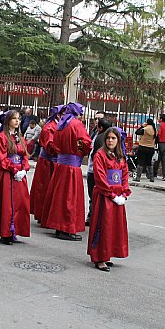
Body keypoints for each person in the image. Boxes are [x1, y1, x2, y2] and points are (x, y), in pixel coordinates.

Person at [44, 102, 92, 241]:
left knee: (60, 197)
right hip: (72, 166)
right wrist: (81, 151)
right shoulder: (76, 124)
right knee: (70, 198)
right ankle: (67, 228)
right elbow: (86, 143)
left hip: (61, 165)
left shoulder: (60, 124)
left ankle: (59, 227)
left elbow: (53, 144)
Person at [87, 127, 131, 272]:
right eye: (108, 138)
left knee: (113, 227)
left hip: (117, 197)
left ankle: (107, 255)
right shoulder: (100, 155)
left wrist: (124, 193)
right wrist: (112, 195)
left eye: (113, 138)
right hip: (105, 196)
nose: (110, 141)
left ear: (118, 140)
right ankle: (99, 257)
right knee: (103, 226)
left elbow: (125, 175)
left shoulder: (120, 156)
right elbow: (100, 177)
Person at [0, 110, 30, 245]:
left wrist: (24, 169)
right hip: (6, 174)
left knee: (20, 203)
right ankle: (5, 232)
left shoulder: (20, 138)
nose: (17, 121)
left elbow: (25, 156)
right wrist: (14, 170)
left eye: (19, 119)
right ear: (8, 121)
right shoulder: (1, 137)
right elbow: (2, 159)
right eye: (14, 119)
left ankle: (15, 230)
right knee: (7, 203)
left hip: (19, 174)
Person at [31, 104, 63, 224]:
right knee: (44, 189)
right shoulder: (50, 127)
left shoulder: (58, 125)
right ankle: (43, 214)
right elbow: (50, 145)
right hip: (48, 162)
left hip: (53, 161)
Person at [86, 117, 112, 226]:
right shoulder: (99, 135)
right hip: (101, 170)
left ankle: (93, 217)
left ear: (100, 127)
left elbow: (94, 154)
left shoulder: (101, 137)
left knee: (94, 195)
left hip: (95, 170)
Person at [133, 118, 156, 182]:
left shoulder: (144, 129)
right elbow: (157, 140)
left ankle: (138, 177)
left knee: (140, 162)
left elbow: (137, 132)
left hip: (143, 147)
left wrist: (142, 126)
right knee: (149, 163)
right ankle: (152, 177)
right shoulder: (154, 130)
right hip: (151, 148)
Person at [156, 114, 165, 181]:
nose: (158, 118)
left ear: (161, 119)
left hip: (160, 143)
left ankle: (154, 173)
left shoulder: (159, 125)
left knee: (157, 159)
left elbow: (158, 134)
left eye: (159, 117)